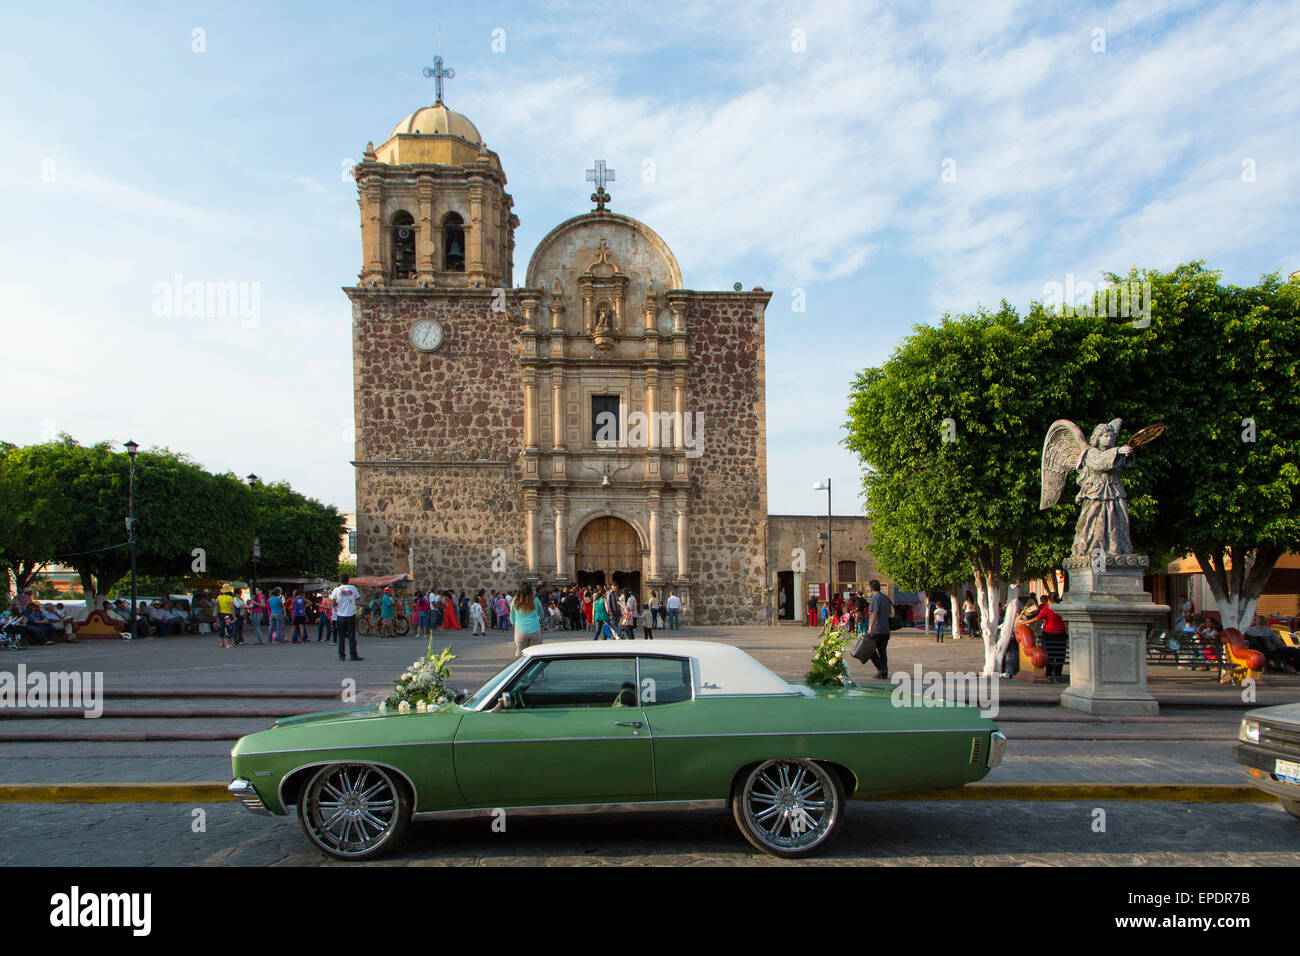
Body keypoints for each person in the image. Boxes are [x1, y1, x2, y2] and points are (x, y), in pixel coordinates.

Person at [1029, 594, 1069, 682]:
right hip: (1061, 634)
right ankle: (1058, 673)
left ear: (1049, 600)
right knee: (1060, 653)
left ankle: (1049, 673)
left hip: (1049, 634)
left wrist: (1025, 622)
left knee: (1048, 653)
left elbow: (1037, 618)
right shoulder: (1062, 608)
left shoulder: (1048, 608)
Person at [330, 574, 362, 662]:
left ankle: (342, 655)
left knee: (341, 636)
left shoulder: (337, 590)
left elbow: (333, 602)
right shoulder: (352, 588)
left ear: (341, 581)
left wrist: (338, 604)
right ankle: (353, 655)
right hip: (351, 614)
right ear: (348, 580)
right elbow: (358, 598)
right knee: (351, 636)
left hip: (340, 615)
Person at [866, 580, 893, 679]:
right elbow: (889, 612)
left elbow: (875, 613)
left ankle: (881, 669)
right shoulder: (885, 597)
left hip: (876, 629)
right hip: (886, 629)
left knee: (869, 649)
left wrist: (870, 627)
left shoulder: (875, 598)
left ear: (871, 588)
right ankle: (884, 673)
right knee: (882, 651)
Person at [509, 581, 542, 658]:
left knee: (520, 654)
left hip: (520, 629)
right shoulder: (535, 600)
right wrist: (538, 618)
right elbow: (541, 612)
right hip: (535, 628)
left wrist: (514, 623)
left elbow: (512, 615)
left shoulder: (515, 600)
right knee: (535, 654)